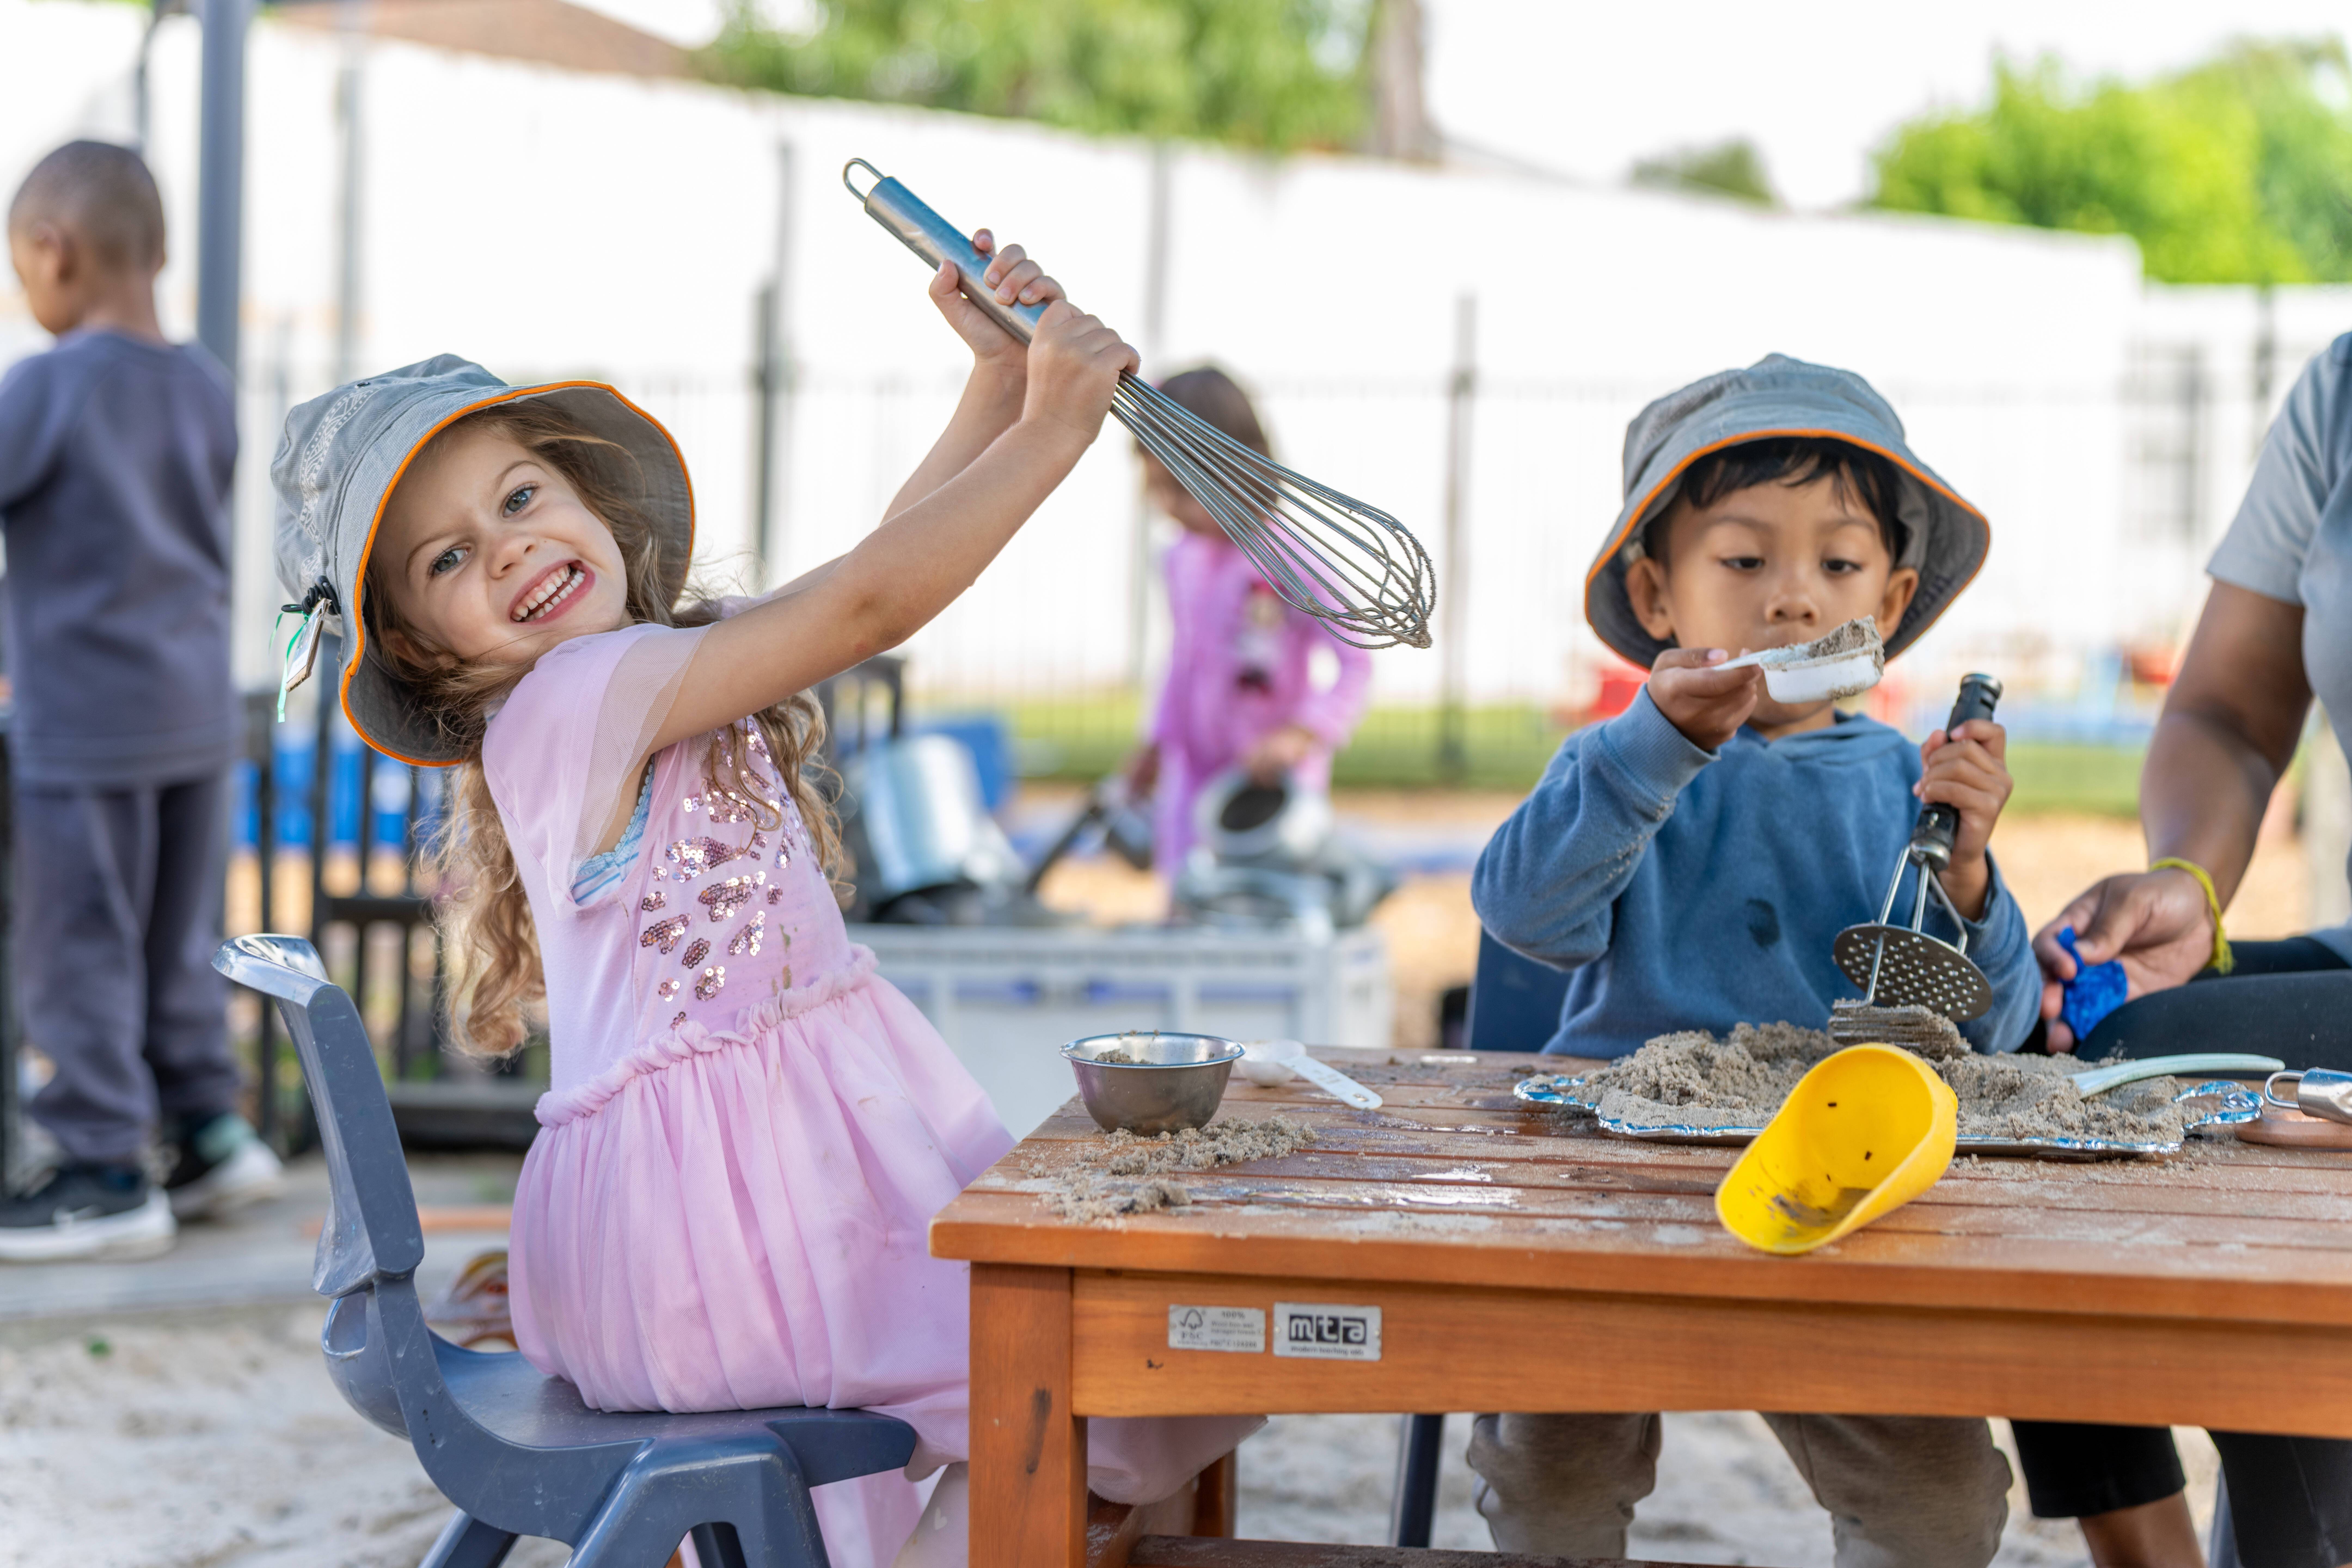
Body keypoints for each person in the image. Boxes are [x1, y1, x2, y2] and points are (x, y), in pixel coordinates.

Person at [267, 235, 1254, 1568]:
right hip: (729, 1234)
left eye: (518, 496)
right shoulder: (571, 698)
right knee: (1089, 1358)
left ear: (588, 501)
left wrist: (998, 386)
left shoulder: (640, 673)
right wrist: (1058, 432)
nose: (504, 551)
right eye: (446, 561)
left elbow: (857, 573)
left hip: (709, 1223)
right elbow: (867, 604)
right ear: (430, 660)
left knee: (1073, 1361)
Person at [1466, 354, 2028, 1564]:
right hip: (1617, 1182)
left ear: (1894, 595)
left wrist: (1973, 877)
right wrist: (1652, 751)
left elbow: (1999, 1032)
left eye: (1838, 564)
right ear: (1657, 594)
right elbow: (1525, 914)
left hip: (1841, 1183)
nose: (1794, 601)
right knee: (1549, 1481)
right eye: (1743, 560)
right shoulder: (1618, 767)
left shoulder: (1907, 791)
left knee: (1940, 1501)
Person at [2010, 336, 2352, 1568]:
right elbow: (2229, 705)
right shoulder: (2343, 391)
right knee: (2045, 1046)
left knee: (2142, 1066)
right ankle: (2150, 1552)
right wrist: (2192, 883)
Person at [0, 141, 282, 1262]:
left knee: (78, 941)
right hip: (192, 716)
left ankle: (103, 1166)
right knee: (176, 938)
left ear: (50, 253)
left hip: (83, 726)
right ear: (157, 253)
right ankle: (208, 1130)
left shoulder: (48, 386)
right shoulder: (205, 389)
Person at [1122, 367, 1371, 875]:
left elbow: (1356, 662)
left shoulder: (1292, 558)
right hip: (1192, 773)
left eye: (1182, 490)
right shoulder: (1179, 560)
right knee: (1187, 891)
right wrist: (1154, 743)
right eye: (1157, 491)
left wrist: (1302, 735)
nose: (1171, 509)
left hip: (1264, 786)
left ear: (1234, 466)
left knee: (1261, 900)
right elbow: (1182, 658)